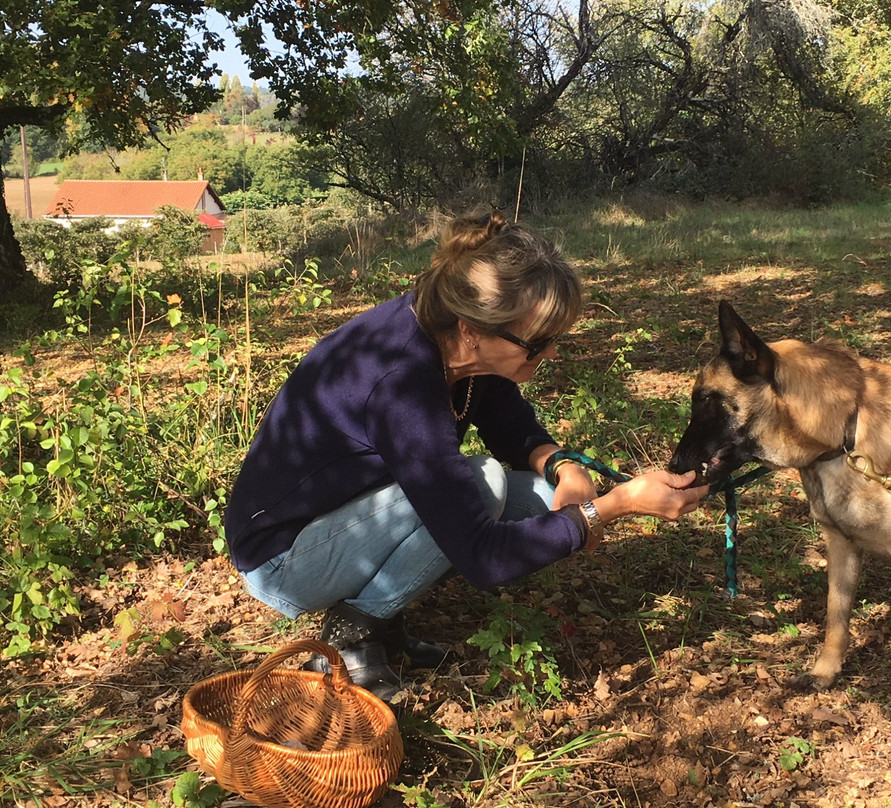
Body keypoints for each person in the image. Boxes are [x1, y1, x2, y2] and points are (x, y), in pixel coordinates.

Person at [224, 210, 708, 701]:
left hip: (344, 518)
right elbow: (484, 558)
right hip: (284, 560)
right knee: (484, 484)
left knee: (540, 496)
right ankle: (354, 631)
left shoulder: (452, 339)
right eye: (538, 343)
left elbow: (510, 424)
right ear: (474, 327)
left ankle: (380, 612)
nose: (552, 355)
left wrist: (565, 468)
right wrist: (611, 506)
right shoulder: (402, 383)